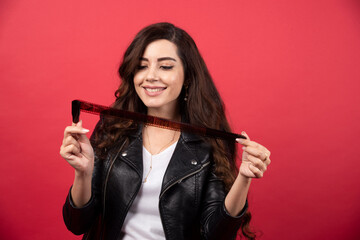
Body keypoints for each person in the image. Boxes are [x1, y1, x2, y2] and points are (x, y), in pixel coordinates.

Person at [60, 22, 271, 240]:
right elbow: (77, 224)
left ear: (188, 76)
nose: (150, 76)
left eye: (165, 66)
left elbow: (216, 234)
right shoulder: (111, 128)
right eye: (142, 66)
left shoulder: (210, 143)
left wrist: (244, 178)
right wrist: (83, 173)